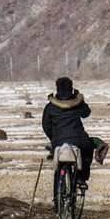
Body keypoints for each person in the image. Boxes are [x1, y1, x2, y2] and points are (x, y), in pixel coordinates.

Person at [42, 77, 94, 211]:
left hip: (58, 141)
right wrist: (79, 98)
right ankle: (81, 178)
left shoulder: (50, 106)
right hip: (78, 139)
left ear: (57, 89)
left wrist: (54, 139)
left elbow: (46, 126)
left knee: (58, 169)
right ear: (71, 88)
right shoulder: (77, 103)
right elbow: (86, 113)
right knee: (88, 149)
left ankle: (57, 204)